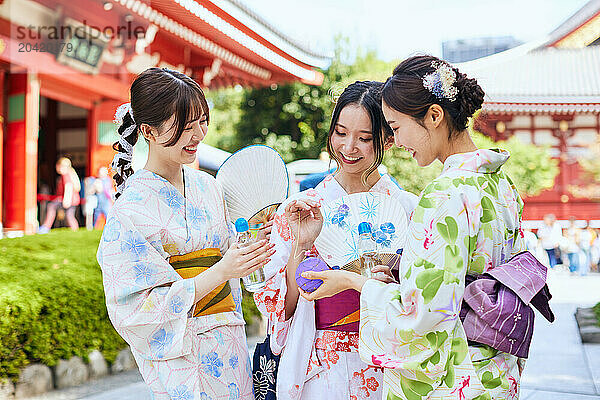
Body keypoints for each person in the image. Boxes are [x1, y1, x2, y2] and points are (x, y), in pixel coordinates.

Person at [300, 56, 535, 399]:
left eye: (395, 128)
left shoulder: (443, 193)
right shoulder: (500, 185)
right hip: (494, 368)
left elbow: (422, 315)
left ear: (434, 116)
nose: (397, 141)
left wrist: (351, 281)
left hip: (455, 374)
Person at [96, 68, 274, 400]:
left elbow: (235, 249)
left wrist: (257, 239)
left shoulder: (209, 187)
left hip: (229, 339)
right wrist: (221, 271)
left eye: (202, 122)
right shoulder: (129, 209)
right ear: (148, 130)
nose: (198, 135)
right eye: (185, 126)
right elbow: (134, 307)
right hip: (180, 354)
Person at [252, 81, 418, 400]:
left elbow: (423, 298)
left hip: (388, 359)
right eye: (340, 133)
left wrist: (386, 288)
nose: (348, 147)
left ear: (388, 138)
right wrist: (300, 246)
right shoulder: (301, 207)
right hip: (319, 358)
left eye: (364, 138)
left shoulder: (407, 208)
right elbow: (280, 308)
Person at [38, 157, 81, 233]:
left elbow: (68, 187)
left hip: (69, 200)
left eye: (58, 166)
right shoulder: (70, 174)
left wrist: (66, 200)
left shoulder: (66, 175)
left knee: (51, 206)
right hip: (73, 200)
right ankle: (75, 230)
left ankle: (46, 226)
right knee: (70, 216)